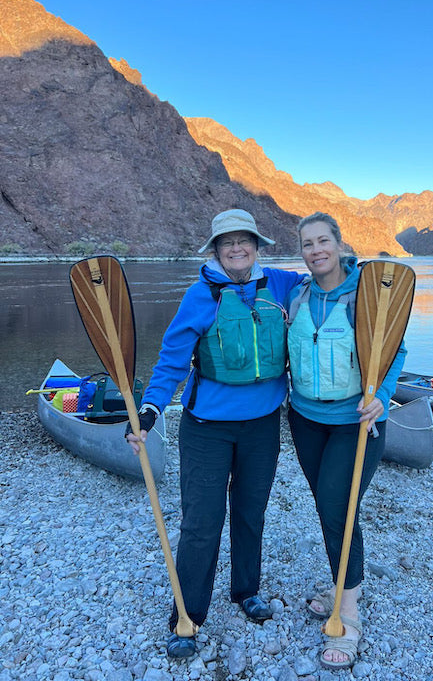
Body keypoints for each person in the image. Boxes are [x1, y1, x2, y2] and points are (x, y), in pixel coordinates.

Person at [126, 209, 304, 658]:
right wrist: (148, 411)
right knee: (202, 523)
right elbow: (171, 361)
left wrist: (359, 270)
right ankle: (187, 617)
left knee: (250, 513)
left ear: (257, 246)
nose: (237, 248)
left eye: (245, 240)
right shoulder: (198, 296)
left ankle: (245, 590)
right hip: (206, 429)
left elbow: (327, 282)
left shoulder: (279, 285)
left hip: (263, 426)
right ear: (216, 250)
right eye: (228, 242)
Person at [285, 212, 407, 670]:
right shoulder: (295, 296)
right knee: (327, 507)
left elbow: (396, 351)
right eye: (307, 244)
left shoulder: (364, 294)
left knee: (339, 505)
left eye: (323, 241)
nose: (316, 250)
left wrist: (383, 395)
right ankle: (341, 582)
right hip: (304, 419)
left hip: (356, 423)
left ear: (339, 243)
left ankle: (348, 611)